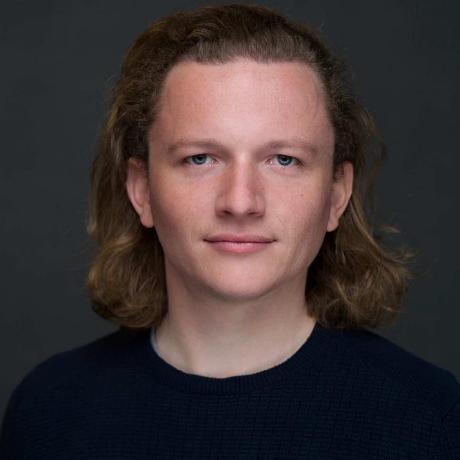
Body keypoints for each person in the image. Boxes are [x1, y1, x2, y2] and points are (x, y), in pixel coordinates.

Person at [1, 3, 459, 459]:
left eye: (284, 160)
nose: (240, 202)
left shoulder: (432, 421)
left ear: (337, 195)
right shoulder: (47, 413)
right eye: (200, 158)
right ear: (142, 189)